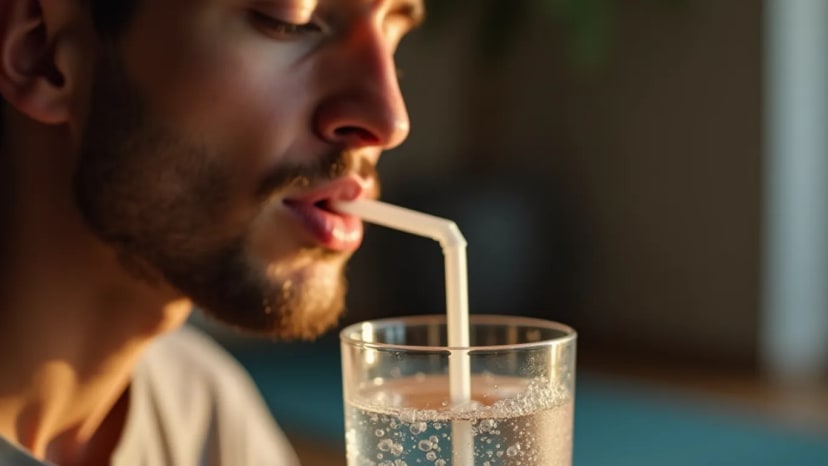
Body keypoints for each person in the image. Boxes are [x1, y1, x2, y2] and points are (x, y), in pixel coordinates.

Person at [0, 0, 422, 464]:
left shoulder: (205, 414)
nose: (390, 120)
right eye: (288, 23)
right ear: (42, 55)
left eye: (393, 33)